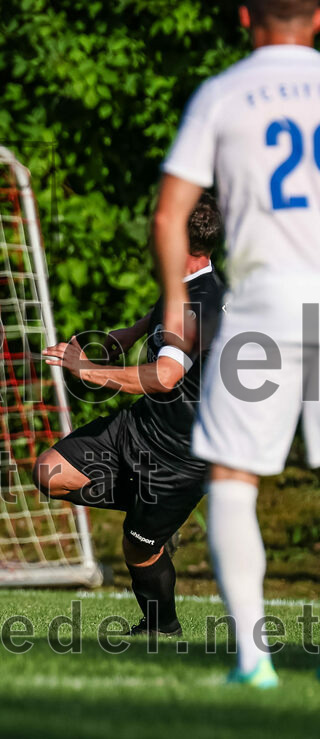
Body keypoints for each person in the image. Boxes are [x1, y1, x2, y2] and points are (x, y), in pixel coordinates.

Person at [154, 0, 320, 687]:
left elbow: (170, 211)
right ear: (316, 17)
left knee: (231, 474)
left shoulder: (223, 92)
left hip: (267, 304)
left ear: (247, 15)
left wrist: (173, 302)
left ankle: (255, 660)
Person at [35, 195, 225, 638]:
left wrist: (89, 371)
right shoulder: (184, 281)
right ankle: (155, 521)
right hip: (139, 429)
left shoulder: (201, 304)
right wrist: (116, 340)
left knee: (137, 550)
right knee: (50, 471)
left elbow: (164, 375)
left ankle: (162, 627)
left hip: (181, 458)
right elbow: (154, 323)